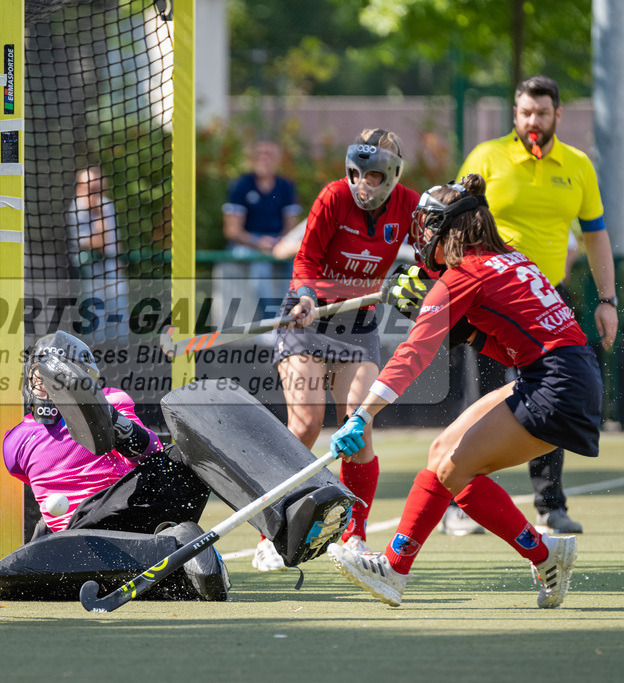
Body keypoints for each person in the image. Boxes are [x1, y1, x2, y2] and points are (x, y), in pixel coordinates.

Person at [326, 176, 599, 609]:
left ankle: (395, 570)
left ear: (449, 230)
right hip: (564, 374)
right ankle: (546, 555)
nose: (422, 236)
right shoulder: (510, 259)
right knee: (442, 454)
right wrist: (451, 317)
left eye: (428, 226)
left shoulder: (462, 276)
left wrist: (362, 413)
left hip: (555, 385)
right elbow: (503, 339)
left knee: (454, 468)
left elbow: (414, 352)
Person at [444, 74, 618, 535]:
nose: (532, 121)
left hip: (546, 300)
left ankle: (549, 506)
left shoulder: (578, 165)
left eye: (541, 112)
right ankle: (460, 504)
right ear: (515, 115)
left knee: (548, 397)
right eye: (524, 113)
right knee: (479, 395)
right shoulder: (487, 156)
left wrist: (607, 300)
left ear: (557, 115)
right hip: (489, 300)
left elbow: (596, 235)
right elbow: (453, 224)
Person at [256, 128, 419, 572]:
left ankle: (354, 535)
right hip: (307, 316)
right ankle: (270, 527)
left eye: (375, 176)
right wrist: (307, 294)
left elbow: (429, 260)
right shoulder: (332, 198)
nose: (363, 184)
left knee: (358, 424)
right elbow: (305, 258)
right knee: (306, 422)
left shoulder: (410, 205)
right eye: (358, 174)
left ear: (393, 173)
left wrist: (418, 283)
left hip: (359, 321)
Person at [3, 331, 209, 539]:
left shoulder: (110, 400)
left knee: (183, 452)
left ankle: (172, 542)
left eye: (58, 374)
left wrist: (112, 421)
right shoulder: (16, 441)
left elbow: (150, 453)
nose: (46, 382)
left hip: (119, 510)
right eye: (41, 374)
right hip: (75, 531)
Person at [223, 139, 301, 308]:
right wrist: (258, 243)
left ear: (277, 159)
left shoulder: (285, 186)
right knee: (261, 266)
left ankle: (289, 316)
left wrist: (281, 242)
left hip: (277, 242)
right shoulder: (241, 185)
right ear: (251, 158)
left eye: (269, 155)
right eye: (259, 154)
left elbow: (292, 226)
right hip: (248, 244)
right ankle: (269, 322)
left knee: (297, 264)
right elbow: (232, 231)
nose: (264, 159)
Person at [65, 166, 130, 345]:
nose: (95, 193)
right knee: (96, 330)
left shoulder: (107, 204)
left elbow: (113, 242)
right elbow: (97, 243)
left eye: (98, 188)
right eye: (90, 188)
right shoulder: (76, 209)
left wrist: (119, 266)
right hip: (90, 278)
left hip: (113, 275)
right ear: (80, 187)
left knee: (119, 328)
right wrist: (98, 212)